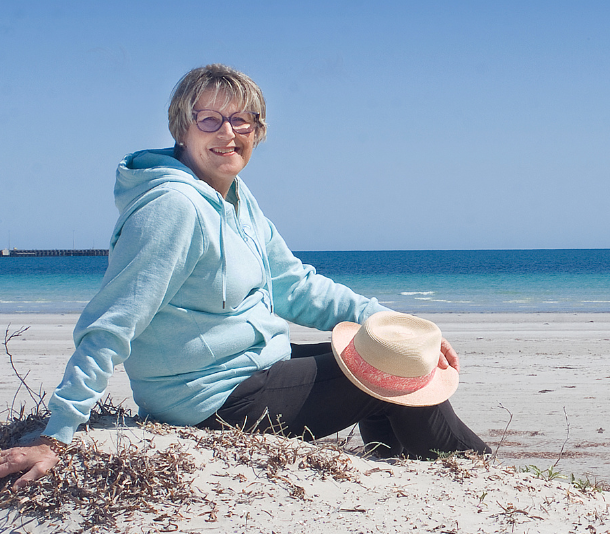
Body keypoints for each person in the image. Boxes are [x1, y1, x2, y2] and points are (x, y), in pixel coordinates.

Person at [0, 64, 490, 488]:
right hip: (214, 398)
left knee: (379, 359)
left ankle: (411, 476)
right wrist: (55, 436)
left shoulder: (234, 196)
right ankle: (477, 475)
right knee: (390, 379)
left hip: (255, 369)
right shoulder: (174, 207)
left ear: (258, 130)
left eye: (241, 120)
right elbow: (114, 320)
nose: (227, 133)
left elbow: (293, 285)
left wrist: (389, 323)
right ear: (181, 129)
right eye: (209, 119)